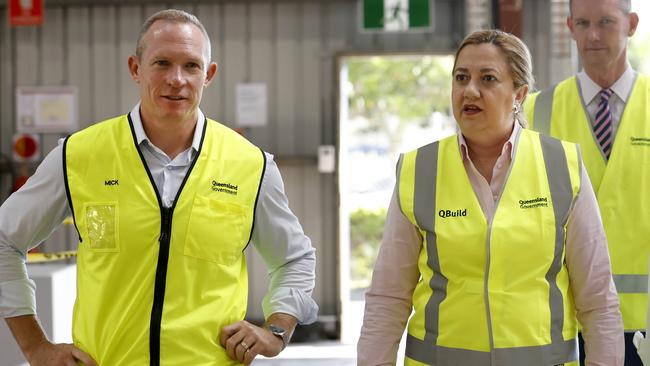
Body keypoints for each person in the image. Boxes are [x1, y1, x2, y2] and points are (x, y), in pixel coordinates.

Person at [0, 9, 318, 366]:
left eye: (191, 66)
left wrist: (276, 331)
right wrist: (35, 347)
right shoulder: (78, 156)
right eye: (162, 63)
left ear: (209, 75)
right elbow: (4, 240)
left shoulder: (250, 165)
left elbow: (295, 259)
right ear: (136, 68)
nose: (176, 79)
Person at [357, 29, 624, 366]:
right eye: (461, 77)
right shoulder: (418, 169)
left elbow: (598, 299)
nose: (470, 90)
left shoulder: (563, 167)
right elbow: (388, 297)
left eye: (488, 78)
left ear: (519, 94)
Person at [524, 0, 646, 364]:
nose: (593, 34)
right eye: (583, 23)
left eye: (606, 22)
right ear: (569, 27)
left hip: (645, 324)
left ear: (632, 24)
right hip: (559, 324)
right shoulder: (534, 111)